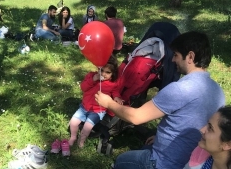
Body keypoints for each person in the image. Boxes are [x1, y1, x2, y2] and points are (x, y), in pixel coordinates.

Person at [95, 31, 225, 169]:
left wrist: (108, 103)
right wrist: (160, 136)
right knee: (146, 146)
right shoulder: (218, 91)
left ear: (190, 57)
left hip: (163, 163)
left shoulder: (180, 89)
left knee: (121, 160)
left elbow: (136, 117)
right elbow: (191, 121)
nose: (173, 60)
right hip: (191, 161)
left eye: (176, 55)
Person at [68, 55, 123, 148]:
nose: (103, 74)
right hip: (84, 107)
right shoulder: (91, 76)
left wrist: (117, 97)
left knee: (86, 128)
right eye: (101, 70)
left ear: (112, 74)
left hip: (97, 111)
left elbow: (115, 92)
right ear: (98, 68)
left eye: (107, 72)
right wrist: (93, 80)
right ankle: (73, 137)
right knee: (73, 122)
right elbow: (83, 87)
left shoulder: (112, 84)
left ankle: (81, 140)